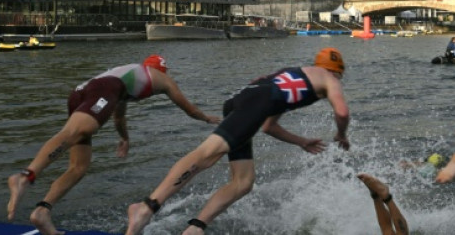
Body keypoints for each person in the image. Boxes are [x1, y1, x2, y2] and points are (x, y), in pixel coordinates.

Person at [124, 48, 351, 235]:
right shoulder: (329, 78)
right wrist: (341, 134)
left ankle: (195, 228)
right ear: (337, 71)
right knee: (207, 154)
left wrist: (301, 141)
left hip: (242, 99)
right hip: (256, 104)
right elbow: (341, 112)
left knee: (243, 182)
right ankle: (146, 207)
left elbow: (268, 126)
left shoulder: (295, 74)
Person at [6, 55, 220, 235]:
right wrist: (207, 118)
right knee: (75, 132)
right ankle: (26, 176)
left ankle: (42, 211)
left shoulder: (127, 79)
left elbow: (118, 117)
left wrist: (124, 138)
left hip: (81, 93)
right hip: (101, 90)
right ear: (161, 70)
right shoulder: (161, 79)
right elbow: (188, 108)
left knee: (79, 167)